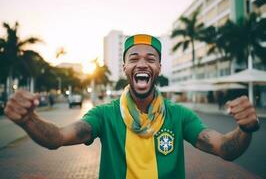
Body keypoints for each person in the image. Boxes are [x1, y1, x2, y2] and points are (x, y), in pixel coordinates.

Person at [4, 34, 260, 179]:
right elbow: (57, 138)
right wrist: (29, 120)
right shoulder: (104, 115)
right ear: (125, 68)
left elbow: (225, 149)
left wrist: (245, 129)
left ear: (158, 68)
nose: (142, 63)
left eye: (151, 58)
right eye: (133, 58)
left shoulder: (179, 115)